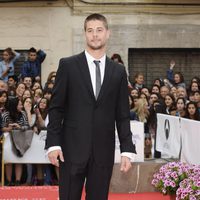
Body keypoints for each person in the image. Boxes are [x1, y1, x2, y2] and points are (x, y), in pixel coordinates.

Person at [45, 13, 136, 200]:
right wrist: (53, 143)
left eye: (99, 30)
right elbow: (56, 107)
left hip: (103, 151)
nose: (95, 35)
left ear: (108, 33)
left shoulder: (118, 71)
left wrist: (127, 149)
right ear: (85, 34)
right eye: (90, 30)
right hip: (71, 150)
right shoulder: (68, 65)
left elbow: (122, 114)